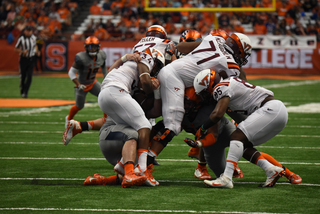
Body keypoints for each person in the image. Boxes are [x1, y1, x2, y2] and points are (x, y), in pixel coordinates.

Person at [146, 31, 252, 184]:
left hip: (174, 73)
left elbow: (181, 47)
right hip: (174, 79)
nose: (243, 58)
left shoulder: (214, 39)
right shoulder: (232, 67)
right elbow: (229, 91)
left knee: (163, 118)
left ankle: (136, 158)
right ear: (238, 49)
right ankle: (145, 166)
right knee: (173, 125)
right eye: (243, 54)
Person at [192, 69, 289, 188]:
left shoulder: (220, 87)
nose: (205, 96)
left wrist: (202, 128)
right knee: (242, 145)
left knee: (235, 136)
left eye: (204, 92)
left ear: (209, 84)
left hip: (270, 109)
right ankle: (270, 170)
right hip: (277, 111)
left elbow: (217, 114)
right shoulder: (229, 82)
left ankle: (226, 178)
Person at [97, 47, 165, 187]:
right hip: (116, 91)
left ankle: (123, 166)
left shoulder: (129, 66)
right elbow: (145, 82)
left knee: (136, 132)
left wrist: (123, 59)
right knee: (145, 125)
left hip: (105, 95)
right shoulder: (146, 58)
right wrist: (152, 89)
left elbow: (109, 73)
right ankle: (141, 168)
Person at [83, 117, 147, 188]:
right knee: (137, 134)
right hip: (109, 135)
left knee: (142, 177)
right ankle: (129, 173)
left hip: (123, 144)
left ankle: (103, 180)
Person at [65, 36, 107, 128]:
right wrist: (78, 84)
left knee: (105, 96)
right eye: (90, 47)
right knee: (79, 106)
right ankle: (68, 118)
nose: (92, 49)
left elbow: (103, 66)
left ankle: (106, 120)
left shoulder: (101, 55)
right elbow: (71, 72)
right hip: (82, 85)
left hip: (93, 82)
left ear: (98, 47)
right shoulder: (81, 57)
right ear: (86, 47)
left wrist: (106, 78)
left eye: (94, 47)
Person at [14, 25, 40, 98]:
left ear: (31, 31)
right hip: (23, 59)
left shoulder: (34, 38)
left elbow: (35, 45)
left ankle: (26, 92)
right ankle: (22, 90)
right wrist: (22, 52)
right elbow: (16, 49)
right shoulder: (21, 39)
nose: (28, 32)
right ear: (24, 31)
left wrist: (37, 51)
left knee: (29, 76)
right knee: (23, 76)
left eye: (30, 31)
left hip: (31, 59)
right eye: (27, 30)